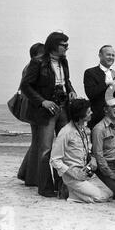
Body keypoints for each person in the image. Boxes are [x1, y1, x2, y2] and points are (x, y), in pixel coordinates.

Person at [20, 32, 77, 197]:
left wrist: (71, 91)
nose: (67, 48)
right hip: (46, 111)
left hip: (63, 107)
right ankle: (45, 188)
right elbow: (26, 86)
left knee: (63, 148)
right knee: (45, 150)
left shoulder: (64, 62)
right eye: (64, 45)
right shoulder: (38, 62)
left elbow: (67, 81)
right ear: (54, 45)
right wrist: (42, 101)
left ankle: (62, 187)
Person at [50, 99, 113, 203]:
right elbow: (54, 160)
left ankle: (73, 191)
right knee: (102, 197)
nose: (92, 113)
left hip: (86, 173)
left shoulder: (83, 128)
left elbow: (87, 148)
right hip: (73, 176)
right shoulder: (66, 132)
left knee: (110, 194)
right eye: (88, 112)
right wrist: (74, 174)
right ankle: (70, 193)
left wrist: (92, 158)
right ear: (80, 115)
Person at [17, 43, 44, 186]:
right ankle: (32, 178)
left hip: (31, 108)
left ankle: (24, 173)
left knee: (36, 141)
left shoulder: (28, 67)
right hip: (35, 108)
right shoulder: (33, 67)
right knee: (38, 142)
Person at [91, 99, 115, 200]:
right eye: (113, 106)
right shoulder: (99, 129)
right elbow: (98, 155)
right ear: (106, 110)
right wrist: (111, 174)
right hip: (106, 167)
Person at [83, 45, 115, 129]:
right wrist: (106, 83)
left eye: (113, 55)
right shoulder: (90, 72)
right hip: (97, 118)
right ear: (100, 55)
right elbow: (90, 94)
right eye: (108, 55)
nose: (111, 57)